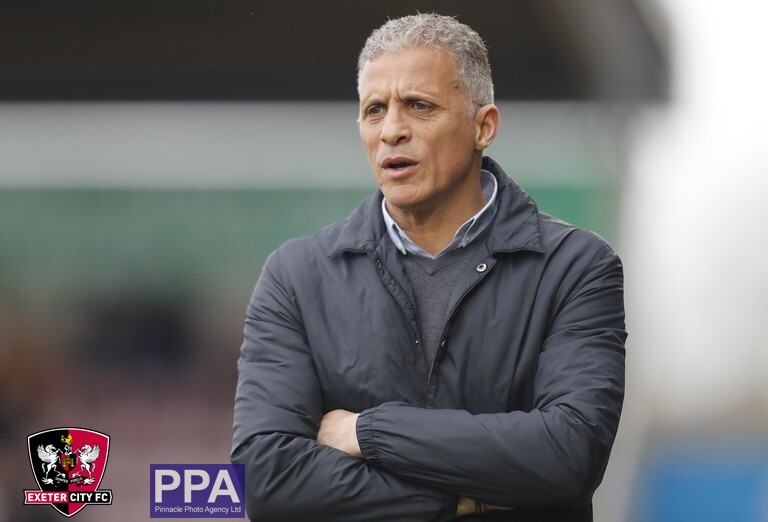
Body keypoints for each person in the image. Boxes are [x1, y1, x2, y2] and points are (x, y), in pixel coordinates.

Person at [231, 13, 626, 521]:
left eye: (418, 106)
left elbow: (568, 455)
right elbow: (264, 479)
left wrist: (366, 431)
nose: (392, 131)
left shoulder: (576, 267)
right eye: (375, 110)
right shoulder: (295, 276)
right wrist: (459, 502)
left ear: (483, 127)